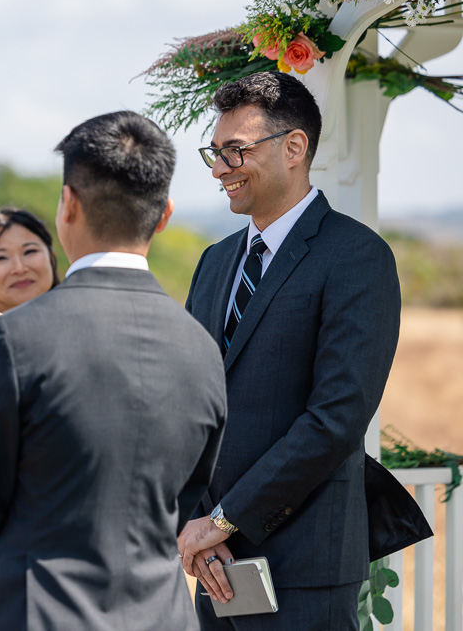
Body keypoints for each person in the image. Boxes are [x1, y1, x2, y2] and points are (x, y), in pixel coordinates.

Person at [0, 111, 227, 631]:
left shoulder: (16, 338)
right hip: (163, 615)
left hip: (37, 609)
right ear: (164, 214)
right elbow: (186, 493)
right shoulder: (201, 347)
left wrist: (10, 583)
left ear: (68, 205)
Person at [181, 71, 400, 630]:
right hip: (212, 562)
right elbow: (186, 406)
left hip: (304, 564)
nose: (218, 169)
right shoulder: (213, 262)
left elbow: (336, 419)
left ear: (294, 147)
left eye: (235, 151)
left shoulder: (356, 256)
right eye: (214, 152)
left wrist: (226, 520)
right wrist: (194, 524)